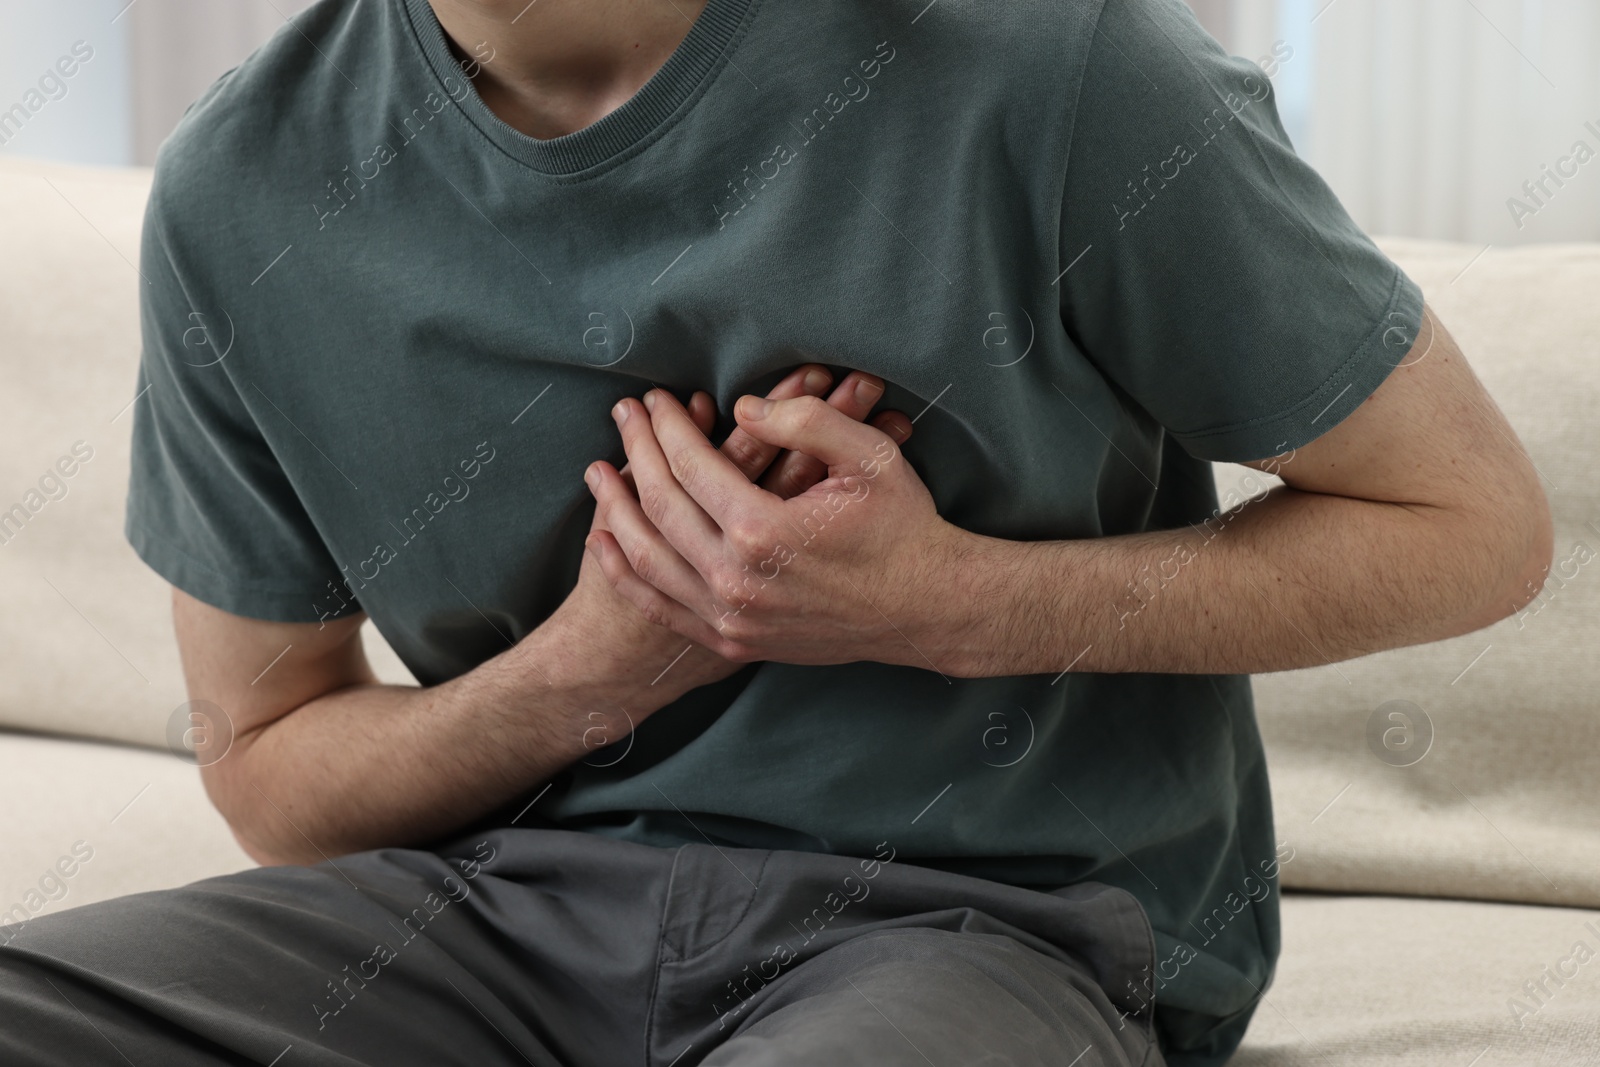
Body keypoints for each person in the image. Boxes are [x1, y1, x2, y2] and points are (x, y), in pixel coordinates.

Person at [0, 0, 1551, 1064]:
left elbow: (1474, 525)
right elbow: (274, 769)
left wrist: (957, 603)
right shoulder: (242, 192)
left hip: (994, 932)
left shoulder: (1053, 65)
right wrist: (593, 672)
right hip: (505, 920)